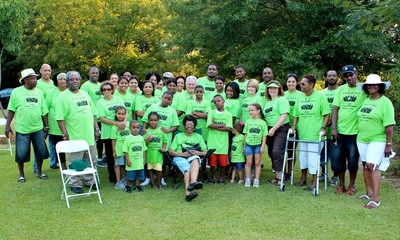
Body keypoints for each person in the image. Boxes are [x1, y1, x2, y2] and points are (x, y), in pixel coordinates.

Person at [56, 71, 100, 194]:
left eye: (77, 79)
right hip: (75, 136)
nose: (75, 81)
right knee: (75, 162)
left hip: (89, 135)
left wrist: (96, 128)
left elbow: (93, 113)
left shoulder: (85, 94)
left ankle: (90, 181)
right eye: (72, 79)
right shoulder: (63, 97)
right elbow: (60, 118)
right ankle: (75, 183)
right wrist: (65, 134)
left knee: (91, 160)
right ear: (67, 81)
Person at [356, 74, 394, 209]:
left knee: (373, 165)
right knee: (365, 165)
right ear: (366, 87)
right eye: (369, 85)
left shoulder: (385, 102)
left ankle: (376, 199)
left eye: (375, 85)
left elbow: (389, 125)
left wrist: (388, 144)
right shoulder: (365, 100)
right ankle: (368, 193)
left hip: (377, 138)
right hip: (362, 138)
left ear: (380, 87)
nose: (372, 87)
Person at [5, 68, 50, 183]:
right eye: (32, 79)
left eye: (35, 78)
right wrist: (7, 125)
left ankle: (39, 172)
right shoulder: (16, 91)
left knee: (40, 151)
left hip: (37, 128)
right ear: (25, 80)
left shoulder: (39, 92)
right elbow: (11, 109)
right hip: (22, 128)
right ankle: (21, 174)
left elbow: (44, 110)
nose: (35, 80)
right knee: (21, 153)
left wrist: (46, 125)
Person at [331, 65, 367, 195]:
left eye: (351, 75)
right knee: (339, 160)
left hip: (355, 133)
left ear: (356, 74)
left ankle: (351, 186)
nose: (349, 78)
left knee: (352, 161)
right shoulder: (340, 90)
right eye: (346, 76)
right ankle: (341, 185)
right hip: (340, 132)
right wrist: (334, 128)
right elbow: (335, 109)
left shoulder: (363, 90)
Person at [291, 74, 330, 191]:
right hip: (303, 133)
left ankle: (314, 181)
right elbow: (296, 114)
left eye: (304, 84)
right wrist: (293, 127)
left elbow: (326, 113)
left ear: (311, 85)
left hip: (315, 134)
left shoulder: (320, 97)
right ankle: (303, 178)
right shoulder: (299, 97)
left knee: (313, 159)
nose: (301, 86)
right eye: (301, 83)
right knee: (303, 158)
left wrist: (323, 127)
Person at [142, 91, 180, 186]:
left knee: (162, 160)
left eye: (169, 99)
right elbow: (145, 120)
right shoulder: (153, 107)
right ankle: (148, 178)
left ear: (171, 101)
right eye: (165, 98)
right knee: (149, 157)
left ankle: (161, 178)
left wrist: (167, 130)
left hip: (164, 139)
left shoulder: (172, 111)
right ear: (161, 97)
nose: (166, 100)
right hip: (151, 137)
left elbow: (176, 126)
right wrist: (144, 129)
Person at [168, 115, 208, 202]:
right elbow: (170, 151)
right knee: (187, 168)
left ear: (194, 126)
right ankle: (188, 193)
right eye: (187, 124)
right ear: (184, 125)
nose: (189, 126)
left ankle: (193, 182)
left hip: (193, 158)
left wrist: (198, 152)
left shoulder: (198, 137)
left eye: (191, 124)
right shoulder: (178, 136)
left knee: (196, 158)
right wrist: (182, 154)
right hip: (180, 157)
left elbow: (206, 152)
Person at [96, 81, 126, 183]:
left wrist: (123, 123)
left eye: (109, 89)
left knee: (122, 152)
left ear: (112, 90)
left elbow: (125, 112)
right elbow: (102, 119)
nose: (107, 91)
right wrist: (116, 123)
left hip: (121, 131)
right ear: (102, 91)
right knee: (110, 156)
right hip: (108, 132)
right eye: (104, 89)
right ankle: (113, 177)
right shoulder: (100, 102)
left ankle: (124, 176)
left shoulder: (118, 99)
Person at [264, 81, 290, 187]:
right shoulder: (267, 103)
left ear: (279, 89)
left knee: (277, 152)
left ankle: (281, 179)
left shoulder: (282, 100)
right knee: (271, 153)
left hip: (280, 129)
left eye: (275, 88)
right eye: (270, 88)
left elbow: (283, 116)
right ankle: (277, 176)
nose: (272, 90)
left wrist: (274, 128)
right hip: (270, 130)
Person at [80, 67, 105, 166]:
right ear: (89, 74)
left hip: (103, 117)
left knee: (102, 139)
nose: (95, 75)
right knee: (95, 139)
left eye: (96, 73)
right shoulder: (85, 86)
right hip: (92, 118)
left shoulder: (101, 85)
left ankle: (101, 157)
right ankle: (95, 158)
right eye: (93, 73)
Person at [207, 95, 233, 185]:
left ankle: (221, 177)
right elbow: (210, 125)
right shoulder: (211, 112)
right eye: (215, 102)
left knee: (223, 162)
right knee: (212, 162)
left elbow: (229, 128)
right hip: (212, 142)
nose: (217, 103)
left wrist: (215, 126)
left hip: (223, 143)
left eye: (218, 101)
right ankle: (213, 177)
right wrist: (222, 125)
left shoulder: (228, 114)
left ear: (223, 101)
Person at [33, 63, 54, 172]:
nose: (47, 72)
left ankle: (54, 163)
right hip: (42, 118)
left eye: (49, 70)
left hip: (52, 118)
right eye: (45, 70)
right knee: (39, 143)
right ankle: (36, 166)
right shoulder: (38, 84)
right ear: (40, 71)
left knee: (53, 142)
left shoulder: (53, 83)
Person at [319, 70, 339, 185]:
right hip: (324, 127)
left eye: (334, 75)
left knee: (335, 153)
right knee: (323, 152)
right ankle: (323, 174)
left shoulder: (340, 92)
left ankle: (335, 176)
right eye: (329, 76)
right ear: (325, 78)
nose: (332, 77)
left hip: (336, 128)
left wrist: (334, 123)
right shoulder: (321, 93)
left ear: (337, 77)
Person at [45, 72, 68, 170]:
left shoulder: (71, 91)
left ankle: (74, 166)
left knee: (72, 147)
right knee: (59, 149)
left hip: (70, 126)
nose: (63, 81)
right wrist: (45, 125)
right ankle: (63, 168)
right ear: (56, 81)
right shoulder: (51, 93)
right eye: (60, 79)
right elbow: (45, 109)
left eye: (64, 79)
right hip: (55, 126)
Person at [243, 103, 268, 188]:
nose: (250, 112)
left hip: (258, 145)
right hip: (249, 145)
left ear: (258, 111)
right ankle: (247, 178)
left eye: (252, 110)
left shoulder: (262, 123)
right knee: (249, 162)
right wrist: (244, 146)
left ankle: (256, 179)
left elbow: (264, 135)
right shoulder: (248, 121)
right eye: (249, 110)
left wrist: (262, 147)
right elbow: (245, 134)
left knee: (257, 163)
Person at [143, 112, 168, 189]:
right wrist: (147, 141)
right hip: (150, 154)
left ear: (158, 121)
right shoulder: (146, 131)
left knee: (159, 169)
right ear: (148, 121)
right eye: (151, 120)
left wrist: (164, 148)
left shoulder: (161, 131)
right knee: (150, 169)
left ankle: (160, 184)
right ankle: (153, 184)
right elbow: (143, 144)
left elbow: (165, 140)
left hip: (158, 154)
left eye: (155, 120)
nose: (153, 122)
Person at [284, 73, 301, 179]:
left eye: (293, 81)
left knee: (291, 150)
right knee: (283, 150)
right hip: (284, 125)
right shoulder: (283, 94)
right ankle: (282, 171)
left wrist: (294, 126)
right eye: (289, 81)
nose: (291, 83)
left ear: (296, 83)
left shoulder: (300, 94)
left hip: (296, 126)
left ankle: (290, 172)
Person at [123, 120, 147, 193]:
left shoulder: (141, 138)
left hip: (139, 161)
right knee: (130, 175)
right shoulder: (127, 138)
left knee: (139, 175)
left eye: (137, 127)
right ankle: (127, 186)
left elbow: (144, 149)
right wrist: (127, 160)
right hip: (132, 161)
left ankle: (137, 186)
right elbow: (125, 150)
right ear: (130, 128)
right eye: (133, 127)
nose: (136, 129)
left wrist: (144, 158)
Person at [111, 106, 130, 190]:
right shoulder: (114, 126)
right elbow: (113, 140)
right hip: (119, 149)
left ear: (125, 115)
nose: (121, 116)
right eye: (119, 114)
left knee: (124, 166)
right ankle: (118, 182)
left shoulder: (129, 124)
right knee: (118, 165)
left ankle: (123, 179)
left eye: (123, 114)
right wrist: (114, 151)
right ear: (116, 114)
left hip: (127, 150)